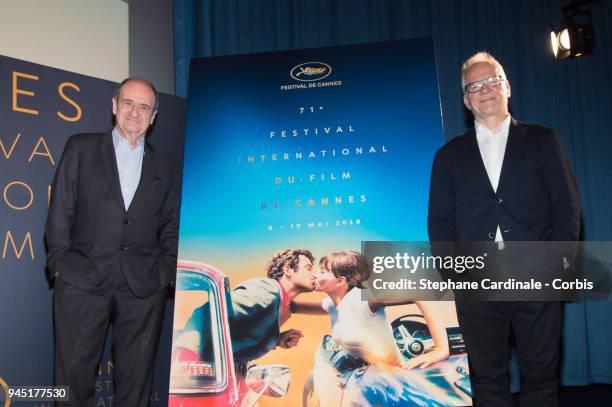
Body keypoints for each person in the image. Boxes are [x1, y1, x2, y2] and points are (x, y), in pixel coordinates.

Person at [428, 52, 580, 406]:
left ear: (506, 86)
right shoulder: (448, 156)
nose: (485, 90)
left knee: (541, 375)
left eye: (492, 80)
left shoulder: (544, 140)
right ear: (466, 100)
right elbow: (440, 222)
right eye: (474, 86)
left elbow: (566, 205)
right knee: (486, 377)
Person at [45, 78, 180, 406]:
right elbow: (60, 210)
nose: (135, 112)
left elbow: (171, 226)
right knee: (70, 382)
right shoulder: (81, 147)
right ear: (114, 106)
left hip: (144, 289)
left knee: (136, 387)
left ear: (154, 116)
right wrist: (60, 266)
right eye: (129, 103)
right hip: (81, 281)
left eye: (144, 106)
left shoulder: (168, 164)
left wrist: (165, 276)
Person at [292, 250, 450, 369]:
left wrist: (441, 348)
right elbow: (292, 306)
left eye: (322, 271)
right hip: (368, 383)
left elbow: (419, 292)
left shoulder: (361, 298)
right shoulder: (332, 304)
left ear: (340, 281)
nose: (314, 275)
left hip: (396, 382)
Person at [176, 249, 315, 367]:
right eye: (309, 268)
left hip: (215, 376)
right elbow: (208, 312)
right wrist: (185, 357)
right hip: (193, 375)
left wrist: (276, 339)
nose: (314, 275)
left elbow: (240, 332)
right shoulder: (267, 292)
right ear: (288, 270)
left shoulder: (281, 303)